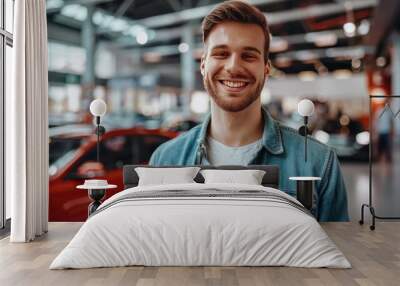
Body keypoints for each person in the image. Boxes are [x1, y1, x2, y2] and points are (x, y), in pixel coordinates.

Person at [149, 0, 348, 222]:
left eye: (249, 55)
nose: (233, 67)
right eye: (221, 53)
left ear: (266, 68)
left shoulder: (318, 162)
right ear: (203, 64)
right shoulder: (165, 159)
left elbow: (337, 251)